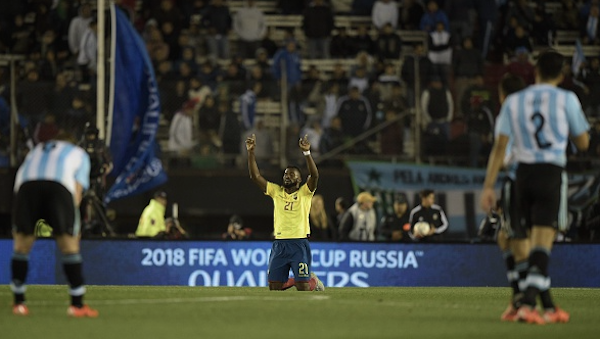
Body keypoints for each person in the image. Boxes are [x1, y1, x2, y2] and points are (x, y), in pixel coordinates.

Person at [481, 50, 590, 324]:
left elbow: (500, 146)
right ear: (562, 75)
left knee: (519, 241)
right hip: (551, 173)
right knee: (541, 243)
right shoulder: (567, 99)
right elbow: (584, 143)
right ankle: (527, 303)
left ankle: (544, 306)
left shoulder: (515, 101)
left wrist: (488, 186)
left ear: (535, 70)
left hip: (521, 176)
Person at [10, 130, 98, 317]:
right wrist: (71, 225)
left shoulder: (37, 149)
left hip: (26, 187)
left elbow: (20, 180)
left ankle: (18, 303)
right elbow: (76, 191)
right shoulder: (79, 154)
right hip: (58, 187)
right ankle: (77, 305)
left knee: (21, 246)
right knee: (69, 246)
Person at [246, 133, 324, 291]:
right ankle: (304, 279)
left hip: (298, 243)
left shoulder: (305, 192)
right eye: (285, 174)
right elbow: (255, 176)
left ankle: (310, 282)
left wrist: (307, 153)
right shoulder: (276, 191)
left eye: (291, 174)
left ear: (299, 179)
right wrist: (251, 152)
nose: (287, 176)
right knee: (274, 287)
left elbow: (314, 175)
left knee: (302, 287)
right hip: (279, 243)